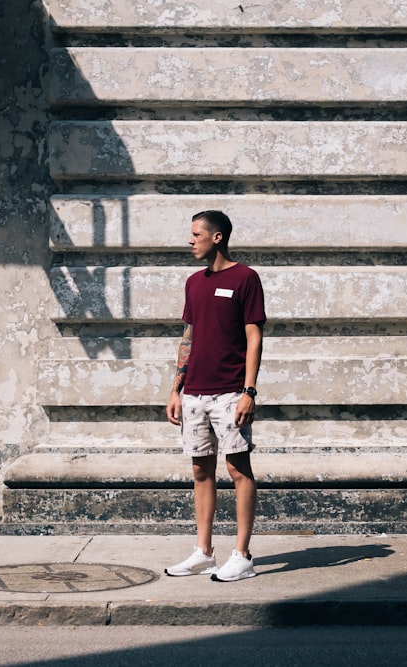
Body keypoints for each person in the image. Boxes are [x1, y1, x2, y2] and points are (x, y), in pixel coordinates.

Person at [163, 210, 266, 582]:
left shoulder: (245, 278)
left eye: (196, 234)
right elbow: (188, 338)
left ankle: (242, 555)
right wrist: (176, 388)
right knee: (199, 470)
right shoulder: (194, 283)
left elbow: (254, 337)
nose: (190, 241)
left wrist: (248, 391)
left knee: (238, 469)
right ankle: (204, 552)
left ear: (217, 237)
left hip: (229, 392)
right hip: (195, 394)